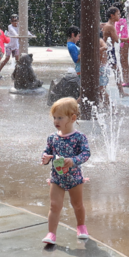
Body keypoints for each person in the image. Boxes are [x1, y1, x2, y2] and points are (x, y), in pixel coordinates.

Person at [41, 97, 91, 243]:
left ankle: (81, 226)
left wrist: (74, 160)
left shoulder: (79, 137)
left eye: (60, 118)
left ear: (72, 118)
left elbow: (86, 154)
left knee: (77, 204)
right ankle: (51, 234)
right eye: (54, 117)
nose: (56, 121)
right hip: (57, 178)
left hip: (75, 178)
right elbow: (47, 152)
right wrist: (45, 158)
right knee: (54, 205)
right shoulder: (52, 138)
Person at [102, 7, 129, 98]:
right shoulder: (110, 26)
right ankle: (103, 91)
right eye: (118, 14)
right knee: (113, 71)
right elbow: (117, 40)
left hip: (109, 50)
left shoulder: (109, 25)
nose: (120, 15)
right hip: (108, 51)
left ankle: (119, 92)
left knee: (114, 71)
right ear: (112, 15)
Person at [113, 2, 129, 87]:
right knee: (122, 61)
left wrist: (122, 41)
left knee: (124, 61)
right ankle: (125, 80)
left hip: (124, 42)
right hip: (123, 42)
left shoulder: (122, 21)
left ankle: (126, 80)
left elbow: (124, 35)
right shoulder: (118, 20)